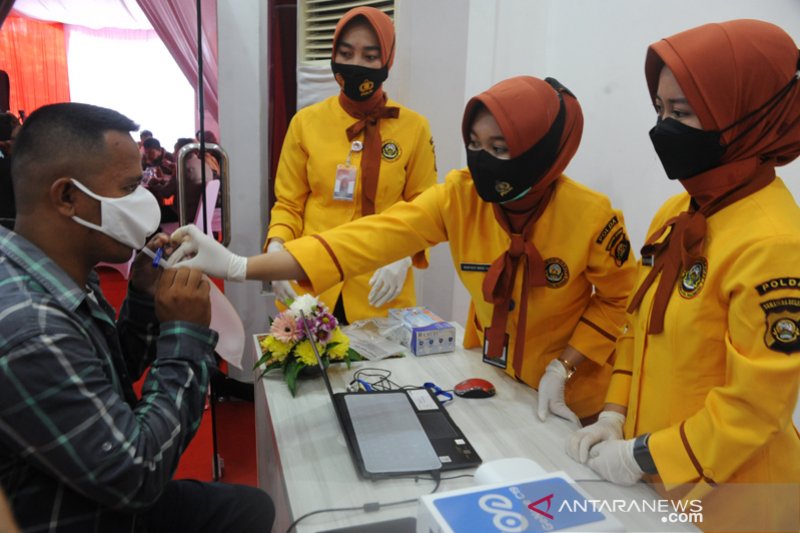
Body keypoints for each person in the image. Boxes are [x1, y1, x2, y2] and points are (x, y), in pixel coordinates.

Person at [167, 75, 638, 423]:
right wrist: (239, 265)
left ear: (543, 152)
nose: (481, 160)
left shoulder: (592, 217)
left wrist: (565, 367)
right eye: (474, 143)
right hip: (495, 377)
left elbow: (622, 298)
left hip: (573, 397)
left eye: (500, 147)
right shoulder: (461, 196)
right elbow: (364, 240)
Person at [565, 20, 800, 531]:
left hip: (737, 504)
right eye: (659, 110)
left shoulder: (774, 243)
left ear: (744, 117)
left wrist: (643, 456)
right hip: (663, 485)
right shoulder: (680, 212)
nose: (663, 128)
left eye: (683, 113)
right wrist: (613, 413)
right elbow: (638, 330)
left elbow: (756, 408)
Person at [0, 102, 274, 532]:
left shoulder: (60, 272)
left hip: (87, 479)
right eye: (128, 188)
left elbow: (104, 375)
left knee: (250, 508)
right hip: (84, 509)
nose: (143, 201)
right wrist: (184, 333)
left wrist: (145, 300)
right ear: (68, 197)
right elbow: (138, 474)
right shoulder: (31, 330)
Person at [266, 6, 438, 324]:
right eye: (346, 53)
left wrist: (402, 257)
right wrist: (277, 249)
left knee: (385, 375)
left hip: (380, 289)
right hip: (312, 282)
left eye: (370, 56)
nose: (356, 65)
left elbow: (426, 209)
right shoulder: (306, 123)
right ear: (334, 55)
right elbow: (289, 203)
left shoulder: (414, 128)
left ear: (387, 60)